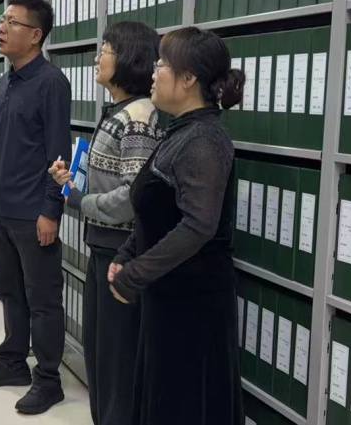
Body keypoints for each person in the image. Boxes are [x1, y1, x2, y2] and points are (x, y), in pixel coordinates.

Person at [106, 27, 245, 424]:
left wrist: (134, 275)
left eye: (162, 64)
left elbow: (198, 225)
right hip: (168, 295)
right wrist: (127, 252)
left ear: (188, 79)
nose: (153, 72)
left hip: (192, 307)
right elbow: (158, 209)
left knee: (184, 405)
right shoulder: (180, 130)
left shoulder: (204, 140)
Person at [48, 21, 162, 425]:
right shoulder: (118, 111)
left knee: (117, 361)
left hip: (121, 253)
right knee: (100, 355)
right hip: (102, 245)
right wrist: (71, 183)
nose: (98, 58)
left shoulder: (138, 117)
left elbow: (133, 198)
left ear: (128, 59)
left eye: (106, 50)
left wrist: (82, 201)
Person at [0, 0, 71, 416]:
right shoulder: (6, 79)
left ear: (35, 35)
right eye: (2, 20)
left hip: (34, 215)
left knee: (43, 299)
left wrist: (51, 210)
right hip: (4, 210)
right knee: (10, 291)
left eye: (12, 22)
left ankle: (48, 380)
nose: (1, 28)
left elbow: (59, 154)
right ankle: (13, 362)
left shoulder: (51, 83)